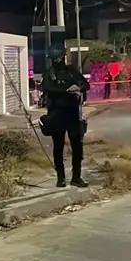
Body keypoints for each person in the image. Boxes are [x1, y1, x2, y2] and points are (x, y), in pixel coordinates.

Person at [41, 43, 90, 188]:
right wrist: (68, 90)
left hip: (73, 114)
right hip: (56, 114)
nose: (59, 60)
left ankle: (76, 177)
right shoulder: (49, 74)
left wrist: (79, 87)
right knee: (58, 147)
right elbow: (48, 88)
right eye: (56, 58)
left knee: (77, 146)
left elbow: (86, 85)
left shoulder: (71, 71)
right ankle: (60, 178)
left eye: (61, 57)